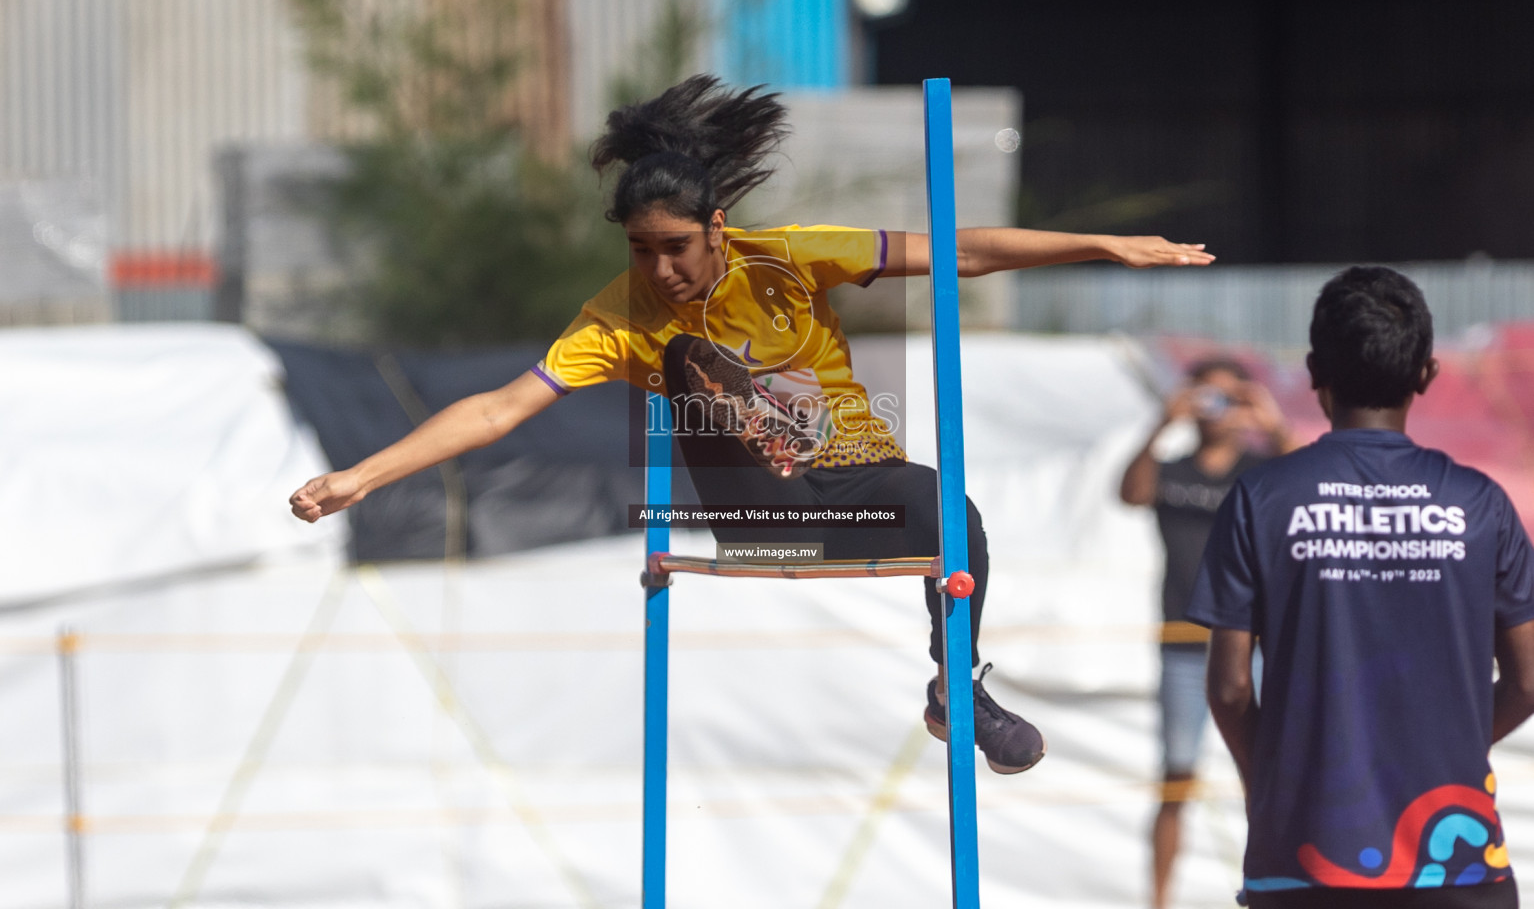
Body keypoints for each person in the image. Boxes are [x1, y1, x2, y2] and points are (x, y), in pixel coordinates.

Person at [289, 74, 1215, 774]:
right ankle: (763, 431)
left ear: (719, 228)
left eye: (676, 248)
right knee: (682, 359)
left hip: (847, 486)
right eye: (641, 251)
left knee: (950, 511)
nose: (659, 270)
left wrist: (1105, 245)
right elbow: (498, 408)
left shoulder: (790, 259)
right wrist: (359, 478)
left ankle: (955, 690)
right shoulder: (619, 316)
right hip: (754, 499)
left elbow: (961, 252)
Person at [1187, 266, 1534, 908]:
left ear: (1315, 371)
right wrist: (1441, 743)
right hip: (1455, 871)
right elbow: (1528, 682)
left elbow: (1231, 687)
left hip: (1302, 858)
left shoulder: (1261, 498)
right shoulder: (1480, 504)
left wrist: (1271, 782)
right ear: (1426, 373)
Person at [1121, 356, 1296, 909]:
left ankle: (1270, 890)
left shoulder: (1259, 472)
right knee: (1176, 779)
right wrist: (1159, 423)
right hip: (1184, 645)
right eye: (1207, 396)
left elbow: (1307, 491)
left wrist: (1274, 427)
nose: (1217, 409)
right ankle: (1160, 899)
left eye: (1229, 397)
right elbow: (1129, 493)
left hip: (1256, 648)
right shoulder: (1172, 470)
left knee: (1266, 778)